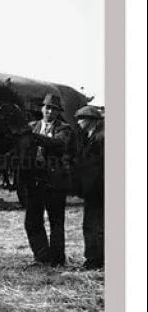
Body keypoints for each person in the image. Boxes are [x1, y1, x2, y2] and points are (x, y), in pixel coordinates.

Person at [19, 92, 75, 267]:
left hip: (55, 182)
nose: (49, 111)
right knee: (32, 221)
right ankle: (42, 257)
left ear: (58, 112)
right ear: (41, 108)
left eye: (53, 109)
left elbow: (59, 144)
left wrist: (33, 138)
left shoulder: (64, 129)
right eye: (47, 107)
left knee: (56, 222)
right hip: (35, 181)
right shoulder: (32, 126)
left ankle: (57, 260)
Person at [74, 104, 104, 270]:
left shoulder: (101, 138)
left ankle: (94, 260)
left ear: (91, 121)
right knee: (95, 224)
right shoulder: (92, 136)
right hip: (93, 189)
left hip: (97, 189)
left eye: (81, 119)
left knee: (93, 225)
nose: (78, 122)